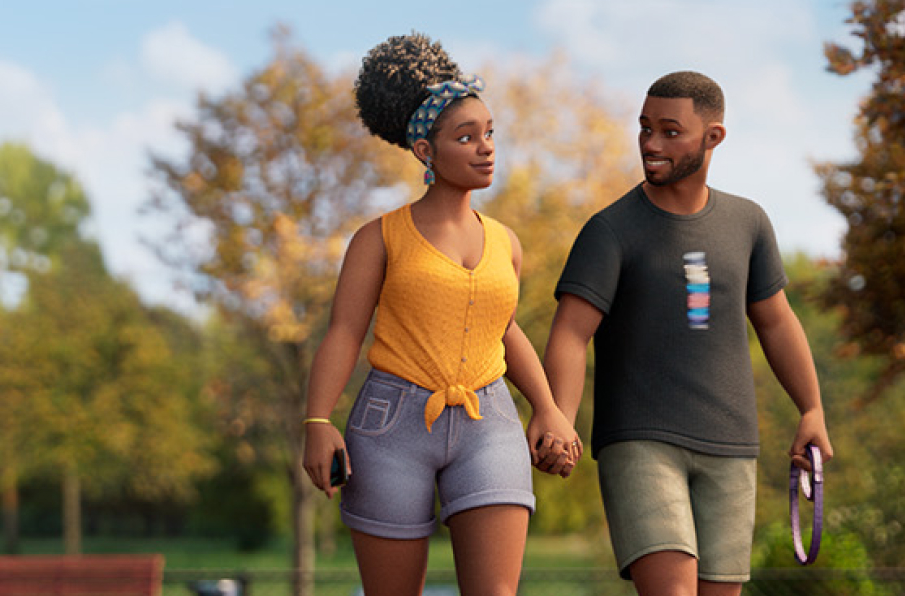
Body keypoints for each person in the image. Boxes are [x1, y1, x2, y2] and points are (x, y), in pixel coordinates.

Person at [296, 33, 576, 596]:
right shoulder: (378, 238)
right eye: (466, 137)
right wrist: (317, 422)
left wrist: (548, 408)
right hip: (390, 423)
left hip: (489, 421)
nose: (486, 148)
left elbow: (507, 329)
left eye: (490, 133)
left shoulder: (507, 243)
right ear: (426, 151)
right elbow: (345, 333)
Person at [539, 70, 835, 596]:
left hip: (732, 445)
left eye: (670, 131)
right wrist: (559, 416)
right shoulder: (610, 231)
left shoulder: (748, 223)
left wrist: (811, 410)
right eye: (645, 128)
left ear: (713, 137)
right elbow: (570, 334)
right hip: (640, 443)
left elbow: (776, 321)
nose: (651, 144)